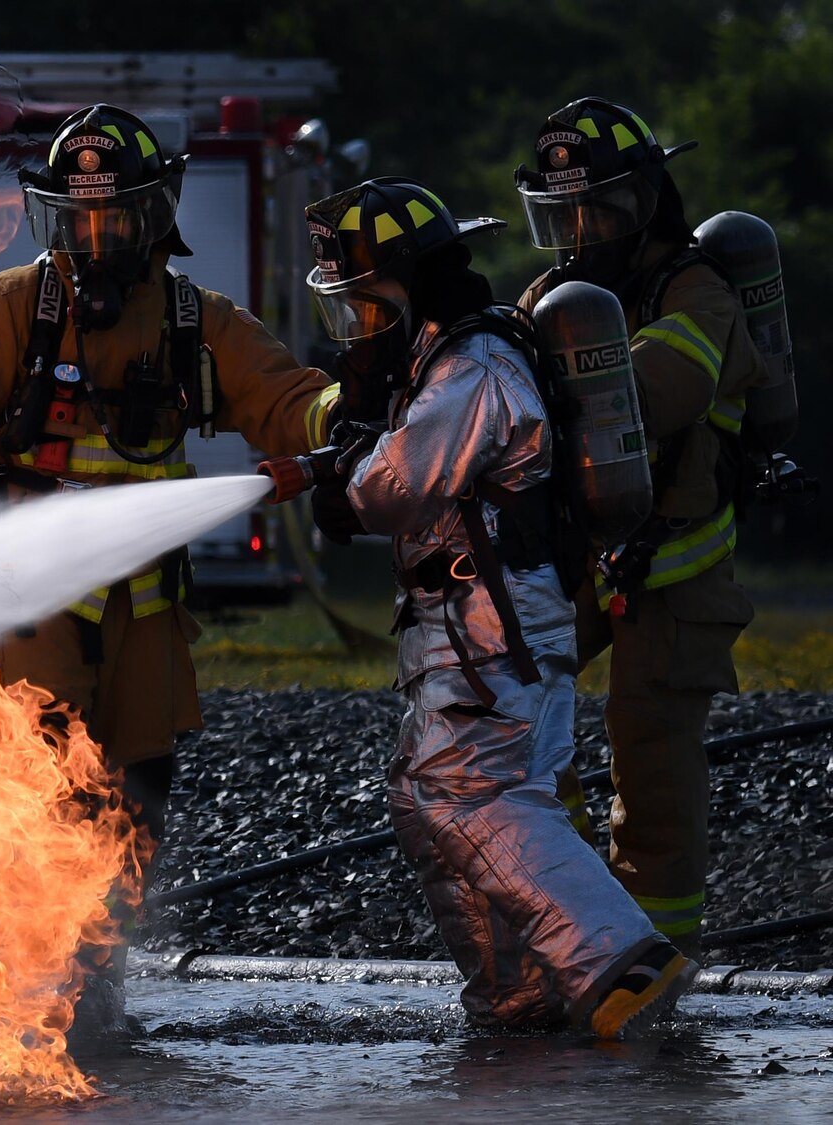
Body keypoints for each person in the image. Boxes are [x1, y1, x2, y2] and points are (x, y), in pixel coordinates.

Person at [0, 102, 340, 1041]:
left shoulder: (194, 321)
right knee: (43, 790)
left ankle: (97, 989)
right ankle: (20, 987)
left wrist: (345, 417)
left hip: (145, 616)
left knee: (137, 805)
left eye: (114, 218)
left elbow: (286, 397)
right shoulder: (15, 308)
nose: (94, 241)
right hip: (30, 605)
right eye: (76, 219)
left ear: (152, 215)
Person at [303, 176, 696, 1038]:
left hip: (492, 630)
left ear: (416, 287)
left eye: (367, 311)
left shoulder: (474, 366)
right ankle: (517, 998)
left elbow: (396, 486)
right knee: (424, 795)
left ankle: (622, 958)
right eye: (347, 318)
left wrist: (347, 481)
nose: (358, 338)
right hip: (467, 630)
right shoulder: (441, 361)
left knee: (472, 792)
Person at [515, 98, 762, 957]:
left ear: (648, 200)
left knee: (651, 760)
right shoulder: (551, 295)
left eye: (600, 210)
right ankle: (577, 911)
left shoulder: (695, 288)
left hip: (678, 565)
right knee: (514, 707)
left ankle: (658, 958)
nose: (581, 232)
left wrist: (565, 379)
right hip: (582, 557)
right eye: (561, 215)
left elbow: (664, 385)